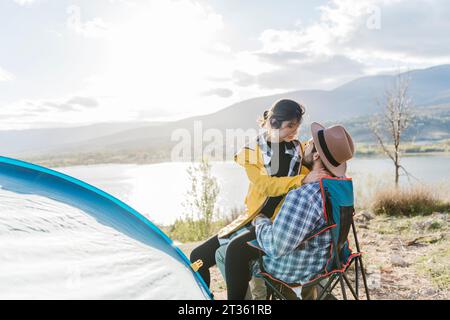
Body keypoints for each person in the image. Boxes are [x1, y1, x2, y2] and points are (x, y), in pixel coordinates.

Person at [190, 99, 323, 291]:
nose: (295, 131)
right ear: (274, 123)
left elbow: (319, 160)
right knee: (197, 258)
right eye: (290, 126)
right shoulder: (251, 153)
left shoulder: (298, 149)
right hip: (253, 219)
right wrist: (300, 180)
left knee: (234, 255)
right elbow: (265, 185)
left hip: (275, 225)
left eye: (297, 126)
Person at [222, 122, 355, 299]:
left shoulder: (305, 195)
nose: (304, 145)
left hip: (298, 269)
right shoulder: (340, 186)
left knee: (234, 250)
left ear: (316, 155)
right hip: (328, 261)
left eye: (309, 143)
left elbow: (276, 246)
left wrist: (261, 220)